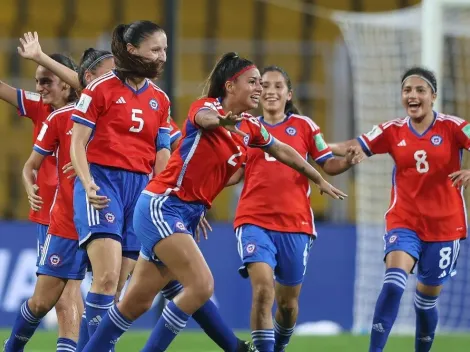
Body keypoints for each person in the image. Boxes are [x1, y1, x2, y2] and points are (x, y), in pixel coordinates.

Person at [80, 52, 346, 352]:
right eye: (253, 82)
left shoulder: (250, 127)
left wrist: (319, 178)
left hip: (185, 213)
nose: (259, 89)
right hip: (162, 206)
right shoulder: (207, 107)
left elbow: (284, 151)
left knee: (136, 302)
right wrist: (221, 120)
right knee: (202, 286)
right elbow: (204, 120)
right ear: (231, 86)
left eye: (261, 83)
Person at [329, 66, 468, 352]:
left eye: (420, 90)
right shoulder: (391, 130)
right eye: (407, 90)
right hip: (404, 221)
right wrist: (313, 144)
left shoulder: (454, 127)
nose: (412, 95)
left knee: (426, 301)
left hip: (445, 226)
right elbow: (353, 145)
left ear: (433, 96)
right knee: (393, 284)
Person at [232, 65, 359, 352]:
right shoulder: (244, 127)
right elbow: (235, 173)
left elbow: (327, 163)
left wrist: (348, 162)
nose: (270, 91)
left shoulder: (305, 127)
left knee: (287, 305)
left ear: (288, 94)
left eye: (278, 86)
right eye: (264, 85)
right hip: (253, 219)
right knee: (263, 289)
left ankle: (279, 345)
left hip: (296, 224)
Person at [69, 20, 172, 342]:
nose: (162, 56)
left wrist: (164, 194)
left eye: (165, 49)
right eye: (155, 49)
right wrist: (87, 184)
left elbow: (163, 151)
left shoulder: (160, 99)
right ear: (131, 50)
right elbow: (77, 143)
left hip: (140, 190)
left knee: (117, 290)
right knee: (106, 277)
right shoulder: (99, 89)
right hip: (103, 184)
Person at [0, 41, 83, 349]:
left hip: (87, 212)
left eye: (46, 80)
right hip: (51, 214)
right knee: (53, 299)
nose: (40, 87)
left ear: (66, 81)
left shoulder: (92, 110)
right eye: (36, 81)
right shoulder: (41, 107)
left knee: (70, 295)